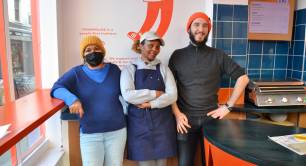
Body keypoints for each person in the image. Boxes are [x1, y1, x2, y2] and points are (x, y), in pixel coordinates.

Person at [168, 12, 250, 166]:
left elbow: (243, 78)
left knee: (211, 162)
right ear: (189, 29)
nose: (201, 29)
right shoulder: (177, 56)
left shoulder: (218, 55)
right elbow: (169, 89)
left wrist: (228, 107)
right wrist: (177, 114)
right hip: (185, 120)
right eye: (196, 25)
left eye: (205, 25)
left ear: (209, 29)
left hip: (212, 119)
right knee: (185, 163)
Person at [50, 36, 126, 166]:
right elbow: (56, 88)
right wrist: (72, 99)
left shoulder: (114, 70)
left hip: (117, 132)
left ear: (103, 51)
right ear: (83, 55)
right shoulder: (76, 73)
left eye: (96, 48)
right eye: (88, 50)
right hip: (90, 133)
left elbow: (126, 92)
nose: (93, 52)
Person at [121, 31, 177, 166]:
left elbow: (172, 95)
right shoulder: (129, 69)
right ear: (140, 46)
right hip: (139, 126)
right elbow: (128, 95)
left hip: (162, 126)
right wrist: (154, 93)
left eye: (157, 47)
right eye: (151, 45)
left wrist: (151, 104)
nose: (155, 50)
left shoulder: (164, 68)